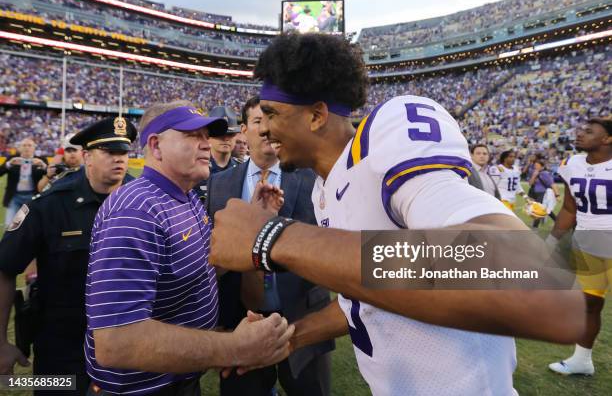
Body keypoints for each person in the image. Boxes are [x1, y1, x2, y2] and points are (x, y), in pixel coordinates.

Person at [208, 33, 585, 395]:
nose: (264, 129)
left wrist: (273, 237)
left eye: (271, 113)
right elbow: (371, 295)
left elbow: (527, 278)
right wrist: (290, 338)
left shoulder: (384, 135)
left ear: (317, 115)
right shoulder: (325, 188)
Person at [84, 100, 294, 395]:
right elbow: (116, 341)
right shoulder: (135, 211)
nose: (206, 144)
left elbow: (200, 269)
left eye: (206, 136)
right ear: (156, 146)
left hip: (177, 381)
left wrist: (254, 222)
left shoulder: (184, 198)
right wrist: (235, 347)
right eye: (192, 135)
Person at [0, 117, 136, 395]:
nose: (119, 159)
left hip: (130, 344)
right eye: (109, 152)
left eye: (123, 152)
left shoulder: (143, 200)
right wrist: (1, 342)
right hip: (62, 348)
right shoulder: (50, 205)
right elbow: (5, 267)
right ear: (87, 156)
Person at [208, 96, 333, 396]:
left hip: (303, 316)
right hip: (242, 321)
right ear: (243, 131)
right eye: (257, 122)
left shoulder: (311, 177)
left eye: (271, 121)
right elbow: (216, 250)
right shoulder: (219, 183)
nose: (266, 130)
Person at [548, 117, 612, 376]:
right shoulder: (572, 164)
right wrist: (551, 240)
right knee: (590, 304)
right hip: (588, 244)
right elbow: (569, 208)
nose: (580, 133)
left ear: (607, 139)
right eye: (580, 129)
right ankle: (582, 360)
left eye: (588, 131)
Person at [0, 138, 47, 227]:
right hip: (14, 197)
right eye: (24, 145)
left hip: (32, 197)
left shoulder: (41, 159)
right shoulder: (12, 159)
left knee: (32, 226)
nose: (27, 148)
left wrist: (43, 165)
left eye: (29, 145)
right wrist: (9, 164)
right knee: (11, 226)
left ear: (34, 148)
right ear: (20, 148)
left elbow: (51, 174)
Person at [528, 157, 560, 228]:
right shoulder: (535, 173)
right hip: (535, 194)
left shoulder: (545, 173)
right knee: (545, 210)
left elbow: (552, 184)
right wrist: (534, 175)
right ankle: (557, 222)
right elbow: (530, 184)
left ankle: (535, 226)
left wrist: (557, 195)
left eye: (537, 165)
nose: (535, 166)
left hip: (543, 194)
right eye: (535, 165)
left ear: (542, 166)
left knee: (539, 209)